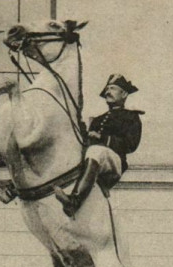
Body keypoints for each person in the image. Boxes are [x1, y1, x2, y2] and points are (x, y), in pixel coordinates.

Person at [54, 73, 143, 218]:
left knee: (96, 151)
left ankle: (74, 201)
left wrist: (102, 137)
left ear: (124, 94)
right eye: (107, 88)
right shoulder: (98, 120)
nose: (108, 91)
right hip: (96, 161)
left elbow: (131, 144)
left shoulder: (131, 117)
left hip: (114, 164)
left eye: (113, 88)